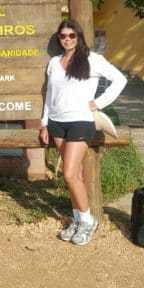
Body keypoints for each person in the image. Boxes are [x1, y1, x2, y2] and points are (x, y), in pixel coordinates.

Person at [39, 19, 127, 246]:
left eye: (71, 35)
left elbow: (120, 80)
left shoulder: (92, 60)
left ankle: (88, 221)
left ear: (79, 37)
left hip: (81, 122)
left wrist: (99, 103)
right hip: (57, 123)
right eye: (63, 36)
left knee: (68, 174)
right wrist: (44, 123)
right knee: (74, 176)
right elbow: (49, 94)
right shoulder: (54, 62)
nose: (67, 39)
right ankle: (77, 219)